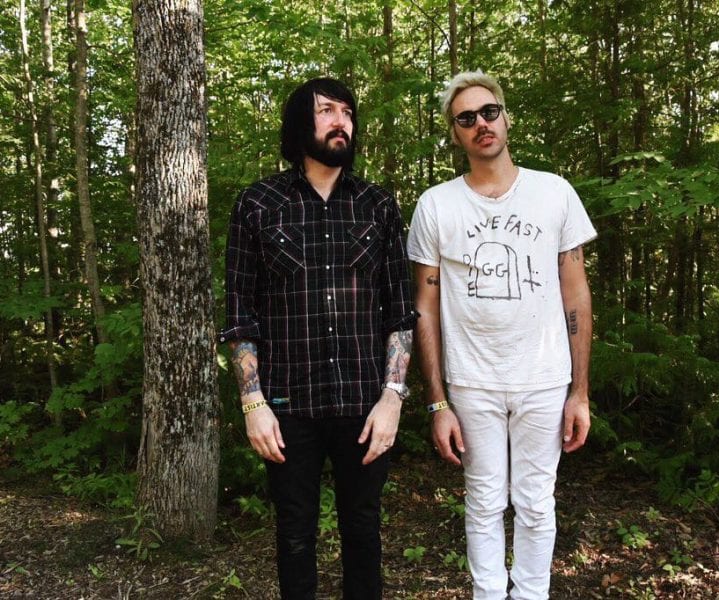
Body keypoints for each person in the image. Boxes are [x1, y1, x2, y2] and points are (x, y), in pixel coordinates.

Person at [219, 77, 416, 600]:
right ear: (298, 124)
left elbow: (400, 313)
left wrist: (393, 398)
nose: (340, 121)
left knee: (363, 530)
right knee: (294, 535)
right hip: (287, 406)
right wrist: (253, 403)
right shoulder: (258, 204)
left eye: (347, 112)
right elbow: (240, 313)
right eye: (327, 110)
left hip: (364, 404)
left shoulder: (378, 205)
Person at [407, 71, 596, 599]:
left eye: (489, 112)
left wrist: (579, 391)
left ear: (506, 117)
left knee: (536, 502)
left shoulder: (554, 193)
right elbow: (425, 307)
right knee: (484, 501)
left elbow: (576, 295)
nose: (481, 124)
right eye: (466, 118)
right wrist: (437, 402)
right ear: (454, 133)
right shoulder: (436, 205)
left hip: (544, 377)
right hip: (472, 382)